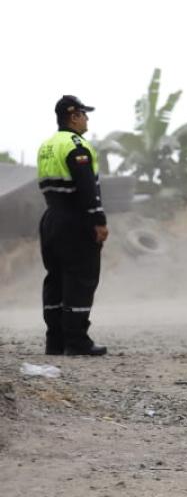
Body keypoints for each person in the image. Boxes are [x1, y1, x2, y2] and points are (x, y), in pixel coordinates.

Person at [36, 95, 109, 356]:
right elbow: (87, 188)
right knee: (80, 279)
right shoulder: (77, 146)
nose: (87, 119)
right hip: (75, 221)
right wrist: (98, 220)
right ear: (74, 116)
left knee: (55, 279)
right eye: (84, 114)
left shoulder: (47, 146)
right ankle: (77, 341)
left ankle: (55, 341)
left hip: (51, 219)